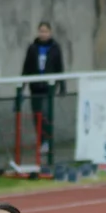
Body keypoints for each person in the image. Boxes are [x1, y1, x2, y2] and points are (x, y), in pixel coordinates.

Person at [20, 21, 66, 155]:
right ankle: (41, 141)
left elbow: (59, 67)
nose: (43, 34)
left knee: (46, 114)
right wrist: (22, 87)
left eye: (45, 31)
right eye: (41, 31)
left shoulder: (55, 48)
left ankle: (48, 141)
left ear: (50, 32)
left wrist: (62, 85)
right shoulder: (33, 48)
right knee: (37, 116)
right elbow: (26, 68)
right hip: (35, 87)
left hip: (48, 87)